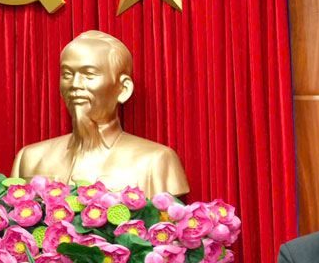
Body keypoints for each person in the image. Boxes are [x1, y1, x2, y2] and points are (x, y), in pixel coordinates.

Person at [11, 30, 189, 196]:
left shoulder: (156, 161)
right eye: (67, 74)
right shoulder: (29, 158)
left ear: (123, 89)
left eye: (89, 74)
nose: (75, 84)